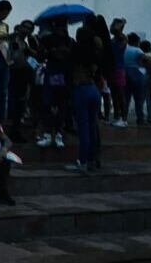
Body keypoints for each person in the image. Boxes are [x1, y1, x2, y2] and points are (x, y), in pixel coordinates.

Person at [65, 23, 102, 174]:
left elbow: (70, 71)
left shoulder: (75, 51)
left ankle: (82, 161)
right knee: (93, 127)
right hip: (93, 89)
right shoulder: (94, 53)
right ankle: (92, 160)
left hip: (80, 89)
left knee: (83, 128)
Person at [37, 32, 70, 149]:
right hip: (53, 74)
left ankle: (56, 134)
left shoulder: (68, 41)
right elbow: (40, 55)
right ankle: (50, 134)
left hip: (61, 75)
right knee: (48, 105)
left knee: (59, 106)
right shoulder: (48, 40)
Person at [8, 20, 39, 130]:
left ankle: (16, 126)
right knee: (15, 100)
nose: (26, 30)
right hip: (14, 73)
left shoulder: (26, 42)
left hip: (24, 73)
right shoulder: (12, 39)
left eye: (29, 29)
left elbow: (35, 55)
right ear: (20, 27)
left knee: (21, 101)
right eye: (25, 27)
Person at [123, 33, 151, 125]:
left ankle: (124, 118)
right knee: (138, 99)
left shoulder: (125, 49)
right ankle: (140, 119)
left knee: (126, 98)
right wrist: (144, 65)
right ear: (136, 42)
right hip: (136, 74)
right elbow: (145, 59)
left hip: (125, 73)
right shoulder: (137, 50)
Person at [109, 18, 128, 127]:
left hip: (119, 69)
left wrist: (121, 24)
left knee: (120, 94)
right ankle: (117, 117)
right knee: (114, 95)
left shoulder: (122, 38)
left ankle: (124, 119)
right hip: (113, 69)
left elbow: (116, 30)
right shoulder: (113, 40)